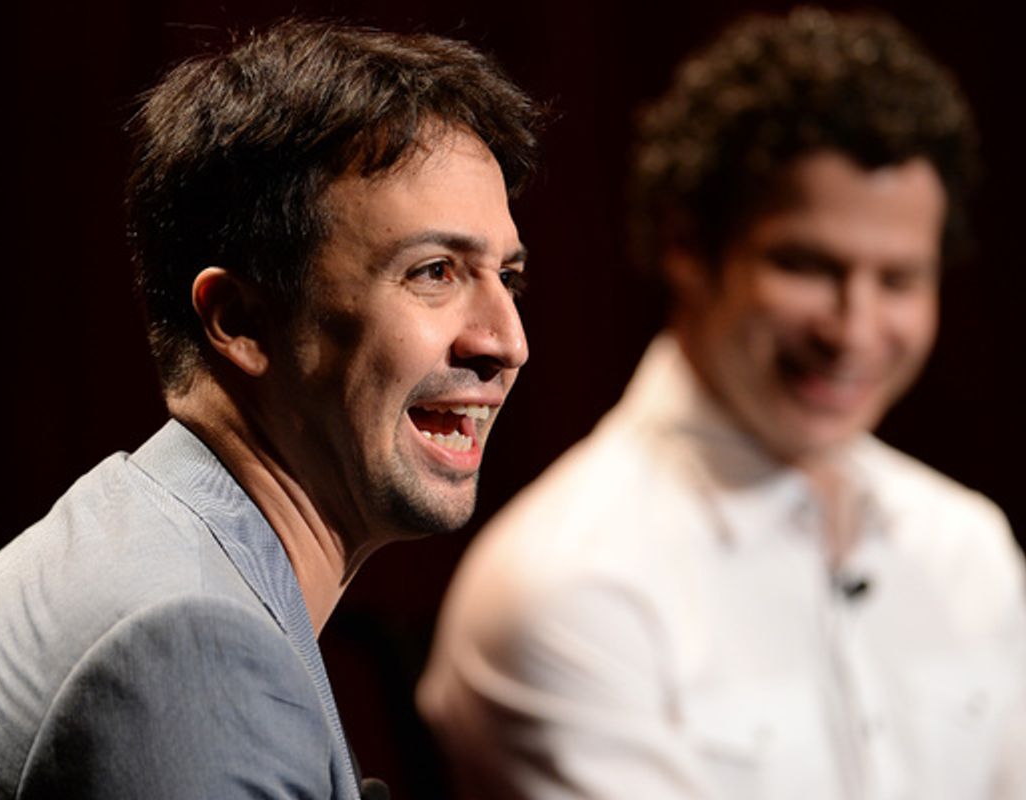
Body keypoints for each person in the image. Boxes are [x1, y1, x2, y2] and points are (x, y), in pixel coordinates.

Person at [0, 19, 540, 800]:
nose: (505, 342)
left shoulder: (163, 549)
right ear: (240, 321)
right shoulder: (191, 648)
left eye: (506, 278)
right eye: (435, 271)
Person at [418, 8, 1026, 799]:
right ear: (687, 248)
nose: (856, 329)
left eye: (899, 279)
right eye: (808, 265)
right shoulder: (570, 581)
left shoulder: (968, 548)